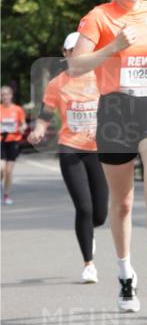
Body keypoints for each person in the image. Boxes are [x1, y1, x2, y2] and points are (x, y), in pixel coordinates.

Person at [69, 0, 147, 316]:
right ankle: (124, 274)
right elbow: (76, 65)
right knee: (123, 203)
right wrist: (114, 46)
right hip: (117, 111)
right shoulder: (98, 17)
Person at [28, 33, 108, 283]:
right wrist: (39, 129)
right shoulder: (57, 83)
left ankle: (89, 234)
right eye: (73, 50)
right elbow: (45, 114)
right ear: (65, 53)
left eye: (83, 49)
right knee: (83, 208)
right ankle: (89, 264)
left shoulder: (101, 78)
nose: (79, 54)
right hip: (70, 149)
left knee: (100, 215)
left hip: (97, 150)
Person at [1, 85, 27, 205]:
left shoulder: (17, 109)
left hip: (13, 141)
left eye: (7, 94)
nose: (5, 96)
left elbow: (23, 125)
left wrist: (22, 128)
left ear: (11, 95)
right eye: (2, 94)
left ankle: (6, 195)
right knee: (1, 168)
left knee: (9, 171)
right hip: (1, 141)